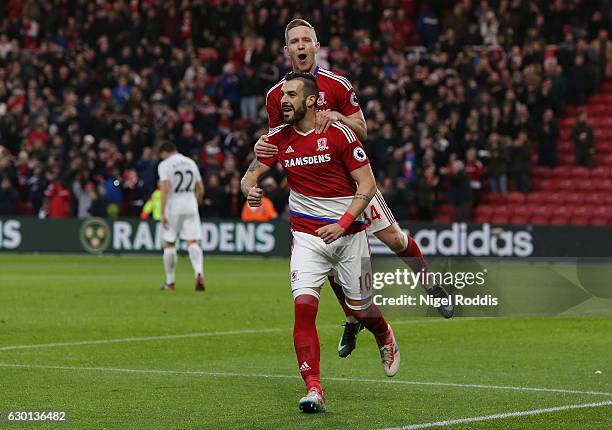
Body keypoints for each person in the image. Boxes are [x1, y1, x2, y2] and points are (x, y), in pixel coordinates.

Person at [255, 19, 453, 358]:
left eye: (306, 40)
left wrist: (338, 117)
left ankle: (429, 283)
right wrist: (261, 151)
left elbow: (362, 129)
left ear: (317, 46)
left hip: (353, 184)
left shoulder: (337, 84)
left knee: (394, 239)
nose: (301, 46)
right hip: (316, 192)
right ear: (286, 50)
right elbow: (280, 139)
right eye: (294, 42)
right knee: (326, 250)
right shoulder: (277, 95)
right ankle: (351, 316)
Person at [241, 72, 399, 413]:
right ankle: (314, 389)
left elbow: (367, 185)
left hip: (349, 236)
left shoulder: (338, 134)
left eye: (293, 95)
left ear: (311, 100)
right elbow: (250, 174)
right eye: (283, 94)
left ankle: (383, 333)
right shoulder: (278, 138)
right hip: (307, 237)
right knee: (303, 310)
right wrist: (249, 189)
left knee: (360, 309)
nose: (284, 100)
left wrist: (342, 224)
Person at [157, 142, 205, 292]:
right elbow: (201, 189)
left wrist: (162, 212)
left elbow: (165, 189)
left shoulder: (165, 165)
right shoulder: (191, 162)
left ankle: (170, 282)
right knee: (192, 242)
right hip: (190, 203)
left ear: (164, 152)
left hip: (173, 205)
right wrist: (195, 203)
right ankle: (199, 272)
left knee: (170, 243)